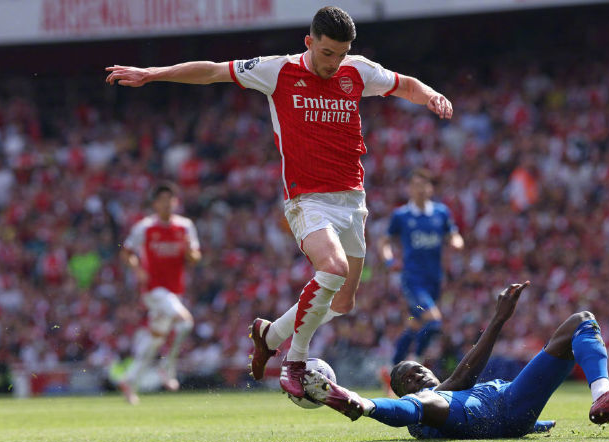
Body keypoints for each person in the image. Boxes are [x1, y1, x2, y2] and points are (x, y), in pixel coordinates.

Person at [105, 6, 453, 398]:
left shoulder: (357, 71)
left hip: (353, 200)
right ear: (309, 42)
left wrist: (431, 95)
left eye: (341, 54)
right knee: (333, 268)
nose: (334, 62)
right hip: (307, 198)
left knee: (343, 302)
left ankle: (270, 335)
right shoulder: (278, 70)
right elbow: (213, 71)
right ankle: (295, 360)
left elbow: (405, 84)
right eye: (327, 53)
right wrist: (153, 74)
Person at [304, 281, 609, 438]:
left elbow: (459, 384)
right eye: (406, 379)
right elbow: (451, 384)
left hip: (513, 406)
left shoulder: (445, 392)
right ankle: (359, 404)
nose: (416, 376)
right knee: (425, 404)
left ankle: (602, 395)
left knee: (580, 322)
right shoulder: (426, 405)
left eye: (418, 369)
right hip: (505, 408)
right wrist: (498, 320)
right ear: (400, 390)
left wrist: (534, 424)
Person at [117, 182, 201, 404]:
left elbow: (195, 257)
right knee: (185, 323)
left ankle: (129, 380)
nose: (167, 204)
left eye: (170, 199)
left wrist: (190, 252)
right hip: (154, 290)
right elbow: (126, 253)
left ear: (176, 202)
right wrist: (137, 270)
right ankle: (167, 367)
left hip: (175, 291)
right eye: (162, 200)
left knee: (156, 339)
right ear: (155, 204)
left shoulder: (185, 226)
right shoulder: (144, 228)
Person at [378, 168, 464, 366]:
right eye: (416, 185)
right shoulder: (402, 216)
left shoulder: (441, 213)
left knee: (415, 324)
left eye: (425, 185)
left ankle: (391, 368)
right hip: (413, 281)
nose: (420, 189)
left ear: (431, 188)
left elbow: (453, 234)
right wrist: (389, 261)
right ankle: (415, 361)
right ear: (409, 189)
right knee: (434, 322)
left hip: (435, 281)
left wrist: (457, 242)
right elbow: (384, 242)